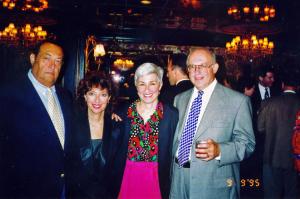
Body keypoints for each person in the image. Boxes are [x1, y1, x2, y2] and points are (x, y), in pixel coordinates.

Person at [170, 47, 255, 199]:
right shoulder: (180, 99)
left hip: (213, 184)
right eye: (191, 67)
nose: (196, 71)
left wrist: (220, 150)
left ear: (214, 68)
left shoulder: (238, 101)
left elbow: (247, 144)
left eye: (202, 66)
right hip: (178, 178)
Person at [0, 41, 73, 198]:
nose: (52, 65)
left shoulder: (65, 96)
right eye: (47, 58)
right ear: (33, 59)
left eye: (58, 61)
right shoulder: (7, 95)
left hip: (63, 190)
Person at [110, 63, 179, 199]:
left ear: (160, 86)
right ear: (136, 87)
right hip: (127, 177)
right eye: (142, 84)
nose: (147, 89)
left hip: (157, 179)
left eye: (152, 83)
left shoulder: (172, 115)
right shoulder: (122, 113)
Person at [68, 71, 120, 198]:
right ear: (85, 96)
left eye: (103, 94)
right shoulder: (71, 125)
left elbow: (117, 171)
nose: (97, 100)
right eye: (92, 94)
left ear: (109, 98)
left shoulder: (117, 128)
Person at [257, 65, 300, 199]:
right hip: (295, 159)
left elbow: (260, 128)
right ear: (297, 87)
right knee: (292, 194)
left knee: (271, 194)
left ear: (282, 85)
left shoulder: (268, 103)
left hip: (271, 157)